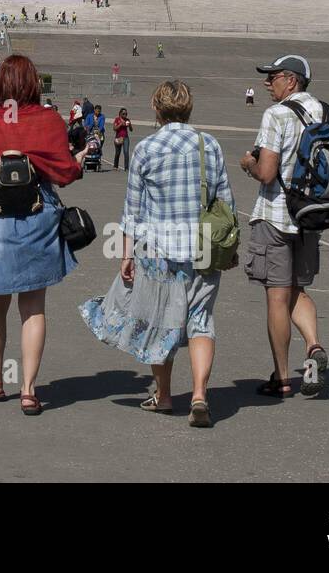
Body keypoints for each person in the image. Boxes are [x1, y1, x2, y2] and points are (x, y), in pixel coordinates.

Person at [82, 80, 234, 428]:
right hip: (203, 247)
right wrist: (230, 247)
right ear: (189, 107)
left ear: (156, 108)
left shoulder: (147, 149)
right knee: (200, 322)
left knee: (161, 324)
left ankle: (164, 395)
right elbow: (225, 201)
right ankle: (198, 395)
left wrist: (126, 255)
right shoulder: (208, 144)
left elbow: (132, 211)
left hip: (158, 251)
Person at [0, 55, 85, 416]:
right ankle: (29, 390)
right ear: (34, 82)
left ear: (1, 84)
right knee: (33, 307)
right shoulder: (49, 119)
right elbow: (65, 172)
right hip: (38, 217)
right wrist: (78, 163)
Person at [239, 54, 329, 397]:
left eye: (274, 77)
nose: (268, 83)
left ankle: (282, 378)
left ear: (291, 81)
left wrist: (247, 164)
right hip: (313, 214)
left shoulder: (277, 114)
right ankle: (313, 347)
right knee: (299, 290)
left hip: (277, 215)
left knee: (278, 297)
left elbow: (266, 172)